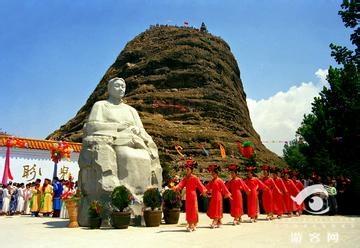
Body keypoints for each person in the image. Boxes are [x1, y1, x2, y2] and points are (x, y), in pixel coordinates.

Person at [174, 159, 207, 232]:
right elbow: (181, 184)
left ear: (191, 170)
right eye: (186, 169)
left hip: (193, 195)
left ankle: (193, 223)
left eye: (188, 169)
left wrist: (204, 191)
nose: (187, 171)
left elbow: (200, 185)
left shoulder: (195, 178)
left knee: (193, 209)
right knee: (188, 210)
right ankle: (190, 223)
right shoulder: (186, 178)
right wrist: (176, 187)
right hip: (188, 196)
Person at [206, 164, 231, 228]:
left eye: (214, 173)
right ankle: (219, 221)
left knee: (217, 208)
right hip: (213, 196)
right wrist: (204, 191)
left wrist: (228, 194)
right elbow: (207, 187)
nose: (212, 174)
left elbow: (224, 188)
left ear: (217, 174)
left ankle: (215, 220)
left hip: (218, 196)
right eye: (212, 173)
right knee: (214, 208)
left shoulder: (220, 180)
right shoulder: (212, 181)